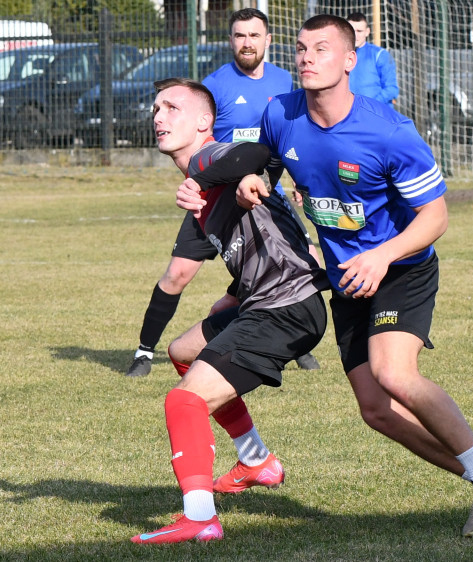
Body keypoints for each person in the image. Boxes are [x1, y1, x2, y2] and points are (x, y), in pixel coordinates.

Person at [237, 14, 473, 537]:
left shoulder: (388, 130)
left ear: (350, 60)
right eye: (302, 48)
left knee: (394, 374)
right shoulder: (280, 113)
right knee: (375, 409)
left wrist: (381, 256)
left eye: (322, 49)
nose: (307, 57)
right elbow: (263, 160)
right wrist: (249, 177)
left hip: (402, 268)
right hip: (349, 277)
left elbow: (436, 217)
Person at [131, 78, 328, 545]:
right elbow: (258, 233)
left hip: (285, 306)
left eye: (172, 108)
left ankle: (200, 517)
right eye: (156, 108)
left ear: (203, 122)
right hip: (264, 299)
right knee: (183, 351)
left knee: (184, 400)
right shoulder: (207, 184)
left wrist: (206, 177)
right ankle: (258, 461)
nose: (159, 117)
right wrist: (237, 291)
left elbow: (253, 157)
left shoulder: (209, 159)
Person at [126, 8, 320, 378]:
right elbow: (221, 148)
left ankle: (296, 339)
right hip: (216, 184)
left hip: (245, 185)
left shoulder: (284, 81)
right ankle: (144, 353)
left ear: (268, 40)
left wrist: (286, 179)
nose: (247, 42)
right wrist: (206, 180)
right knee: (179, 276)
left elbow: (273, 145)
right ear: (231, 40)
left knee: (299, 253)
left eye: (254, 35)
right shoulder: (215, 83)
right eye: (239, 35)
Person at [346, 12, 399, 107]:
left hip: (376, 114)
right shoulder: (340, 55)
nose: (355, 35)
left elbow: (392, 89)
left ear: (367, 32)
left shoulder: (380, 55)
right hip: (348, 114)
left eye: (359, 31)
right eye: (352, 30)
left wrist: (369, 105)